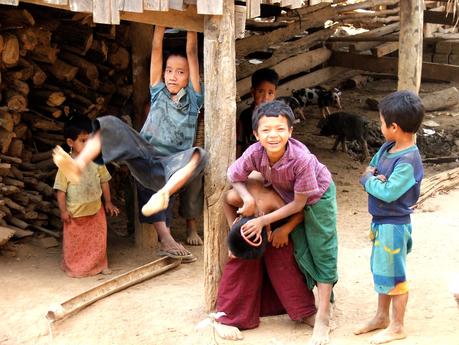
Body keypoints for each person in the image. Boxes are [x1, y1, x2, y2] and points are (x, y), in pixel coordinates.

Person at [52, 24, 207, 263]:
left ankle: (163, 196)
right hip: (145, 152)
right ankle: (78, 164)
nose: (172, 76)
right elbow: (156, 49)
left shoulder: (194, 100)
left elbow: (192, 53)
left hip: (172, 163)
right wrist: (160, 22)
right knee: (111, 124)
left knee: (200, 155)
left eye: (180, 72)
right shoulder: (158, 93)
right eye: (169, 71)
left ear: (189, 77)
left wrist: (190, 24)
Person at [216, 101, 338, 345]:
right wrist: (247, 203)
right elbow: (233, 177)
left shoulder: (301, 160)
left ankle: (322, 317)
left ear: (291, 132)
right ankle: (230, 315)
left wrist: (277, 226)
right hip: (288, 197)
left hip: (315, 197)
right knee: (292, 252)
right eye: (266, 130)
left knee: (320, 253)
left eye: (280, 129)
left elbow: (299, 206)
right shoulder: (254, 154)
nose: (273, 135)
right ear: (255, 134)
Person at [355, 90, 424, 344]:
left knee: (395, 275)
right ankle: (381, 317)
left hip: (394, 226)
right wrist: (374, 178)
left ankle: (397, 326)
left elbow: (387, 191)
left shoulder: (408, 160)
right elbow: (372, 169)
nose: (380, 126)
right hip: (381, 223)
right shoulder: (387, 148)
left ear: (394, 127)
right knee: (382, 271)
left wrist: (369, 181)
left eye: (382, 122)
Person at [54, 116, 120, 278]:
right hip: (75, 213)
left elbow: (104, 181)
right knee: (76, 243)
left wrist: (108, 202)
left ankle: (99, 265)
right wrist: (63, 211)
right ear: (70, 143)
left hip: (96, 210)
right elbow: (60, 191)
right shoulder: (66, 166)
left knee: (97, 241)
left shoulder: (97, 162)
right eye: (83, 141)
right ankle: (75, 268)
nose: (88, 145)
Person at [237, 68, 278, 157]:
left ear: (275, 94)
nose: (265, 98)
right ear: (252, 92)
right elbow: (239, 142)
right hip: (249, 161)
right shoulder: (245, 115)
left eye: (270, 93)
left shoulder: (278, 117)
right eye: (260, 91)